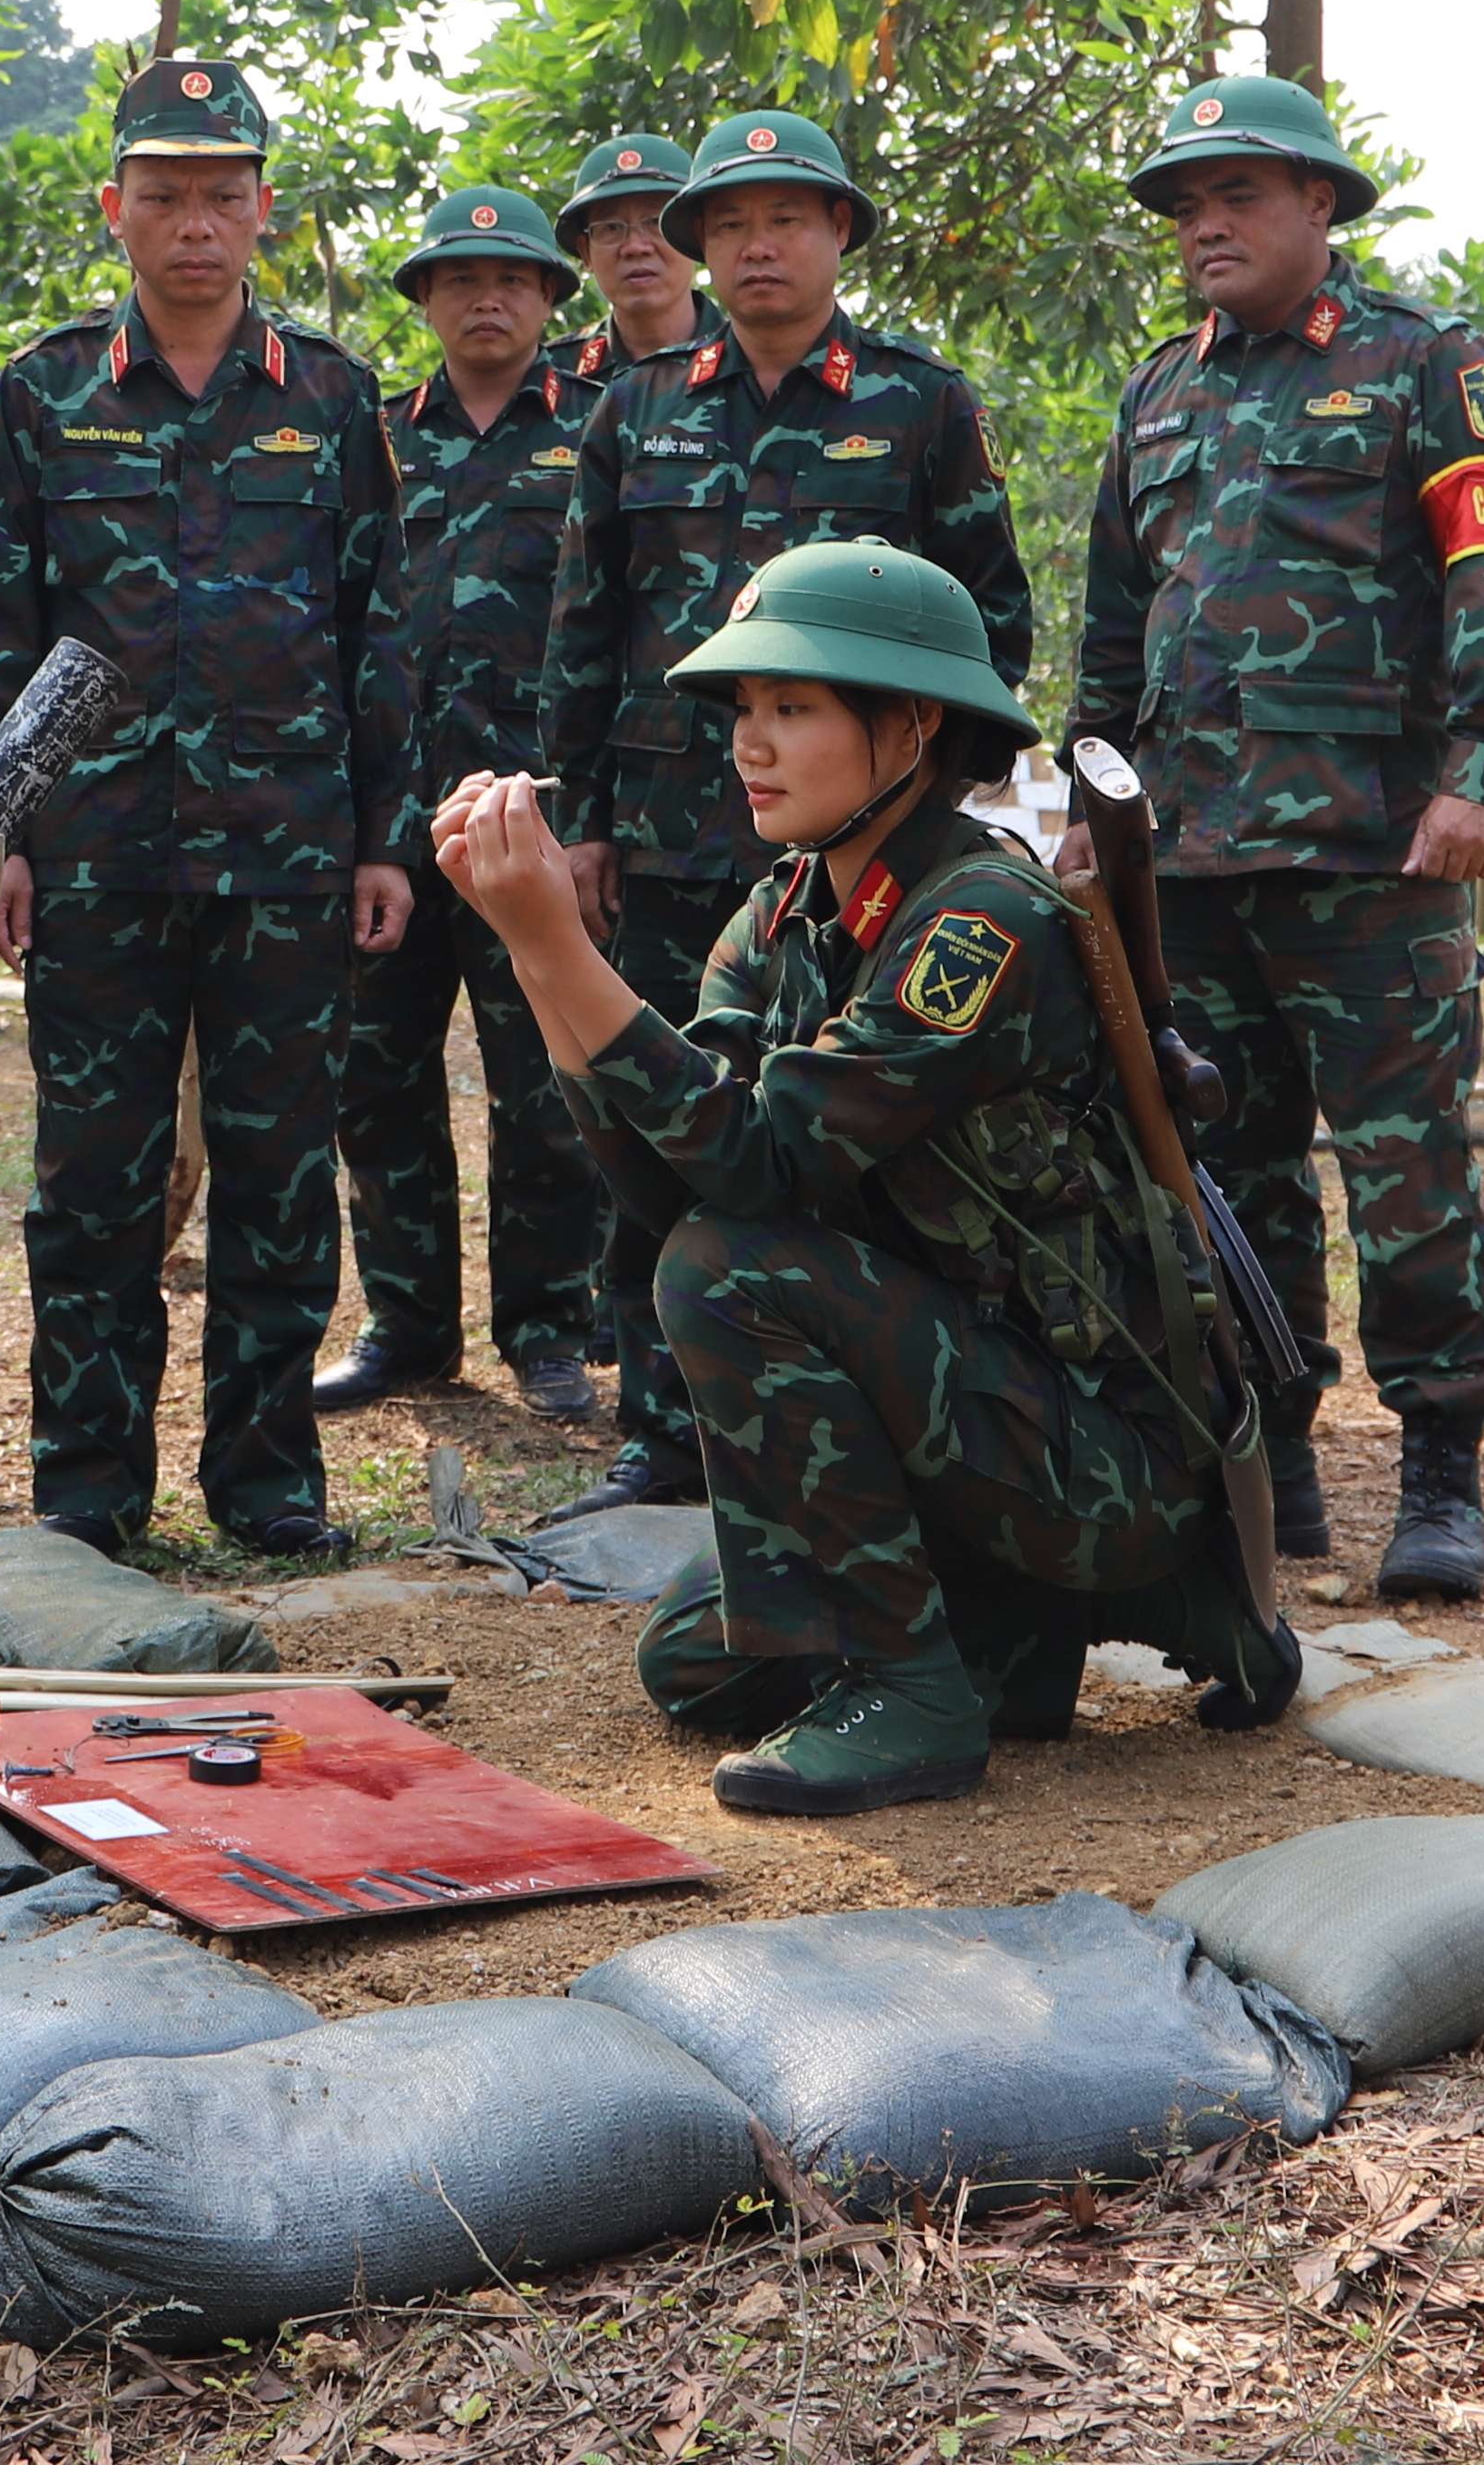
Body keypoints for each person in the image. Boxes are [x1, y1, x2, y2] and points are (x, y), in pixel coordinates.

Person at [438, 543, 1292, 1815]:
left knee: (728, 1277)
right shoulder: (785, 911)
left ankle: (928, 1689)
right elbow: (672, 1174)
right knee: (697, 1663)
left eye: (794, 707)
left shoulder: (977, 922)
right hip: (972, 1420)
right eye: (742, 710)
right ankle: (1035, 1624)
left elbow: (755, 1169)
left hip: (1097, 1450)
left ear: (911, 726)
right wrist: (532, 952)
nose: (750, 745)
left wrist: (558, 941)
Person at [1068, 74, 1484, 1596]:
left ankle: (1441, 1469)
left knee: (1411, 1174)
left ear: (1323, 207)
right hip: (1191, 864)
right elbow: (1108, 631)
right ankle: (1271, 1459)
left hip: (1377, 854)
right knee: (1228, 1176)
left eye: (1238, 196)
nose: (1204, 224)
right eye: (1184, 205)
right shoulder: (1157, 394)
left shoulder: (1433, 369)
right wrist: (1085, 815)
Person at [536, 107, 1035, 1518]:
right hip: (670, 831)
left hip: (860, 850)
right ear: (698, 247)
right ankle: (659, 1417)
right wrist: (581, 818)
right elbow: (587, 624)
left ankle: (842, 1390)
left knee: (839, 1114)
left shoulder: (919, 402)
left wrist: (935, 813)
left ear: (836, 238)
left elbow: (992, 615)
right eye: (733, 223)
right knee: (662, 1107)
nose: (759, 245)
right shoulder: (634, 409)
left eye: (789, 219)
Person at [0, 56, 412, 1564]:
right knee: (92, 1188)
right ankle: (88, 1489)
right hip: (95, 858)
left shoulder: (335, 399)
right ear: (116, 210)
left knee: (279, 1183)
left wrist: (376, 841)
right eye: (165, 195)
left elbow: (377, 634)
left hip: (287, 859)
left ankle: (268, 1481)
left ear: (264, 210)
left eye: (223, 194)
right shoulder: (44, 394)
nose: (195, 223)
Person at [324, 183, 606, 1424]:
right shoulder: (372, 440)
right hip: (390, 823)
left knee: (543, 1080)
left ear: (551, 298)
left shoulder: (600, 433)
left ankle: (548, 1327)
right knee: (377, 1081)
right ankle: (405, 1324)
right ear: (426, 301)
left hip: (534, 824)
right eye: (458, 280)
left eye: (512, 280)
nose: (485, 298)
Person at [555, 133, 703, 383]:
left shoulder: (754, 359)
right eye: (611, 227)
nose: (635, 247)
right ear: (585, 252)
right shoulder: (554, 374)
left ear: (696, 237)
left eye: (656, 222)